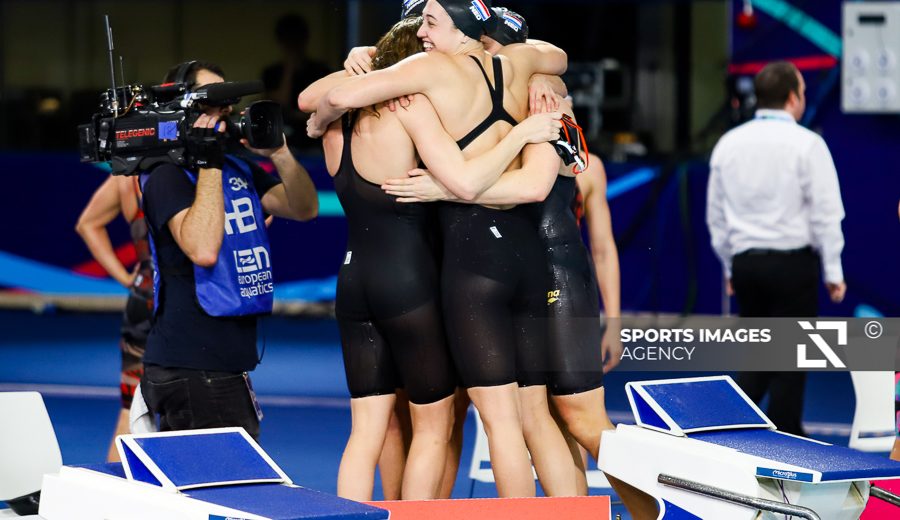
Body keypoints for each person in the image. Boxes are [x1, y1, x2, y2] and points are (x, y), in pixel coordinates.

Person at [306, 0, 579, 498]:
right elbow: (534, 176)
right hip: (516, 254)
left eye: (432, 23)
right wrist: (538, 98)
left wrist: (322, 117)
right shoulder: (519, 68)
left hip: (429, 267)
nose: (425, 35)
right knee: (527, 419)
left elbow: (329, 97)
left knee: (419, 428)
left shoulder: (428, 75)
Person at [139, 61, 318, 441]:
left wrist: (279, 153)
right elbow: (202, 249)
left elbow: (304, 208)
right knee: (228, 476)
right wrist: (209, 162)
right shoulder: (165, 174)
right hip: (190, 361)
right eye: (212, 101)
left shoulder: (238, 166)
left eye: (228, 101)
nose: (226, 110)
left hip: (223, 360)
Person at [706, 61, 846, 436]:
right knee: (790, 360)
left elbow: (716, 217)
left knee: (759, 353)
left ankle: (733, 432)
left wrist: (730, 267)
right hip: (792, 266)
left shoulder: (728, 144)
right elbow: (827, 212)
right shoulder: (808, 144)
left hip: (747, 267)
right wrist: (833, 270)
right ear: (792, 98)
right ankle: (784, 438)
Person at [76, 175, 154, 462]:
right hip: (188, 307)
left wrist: (127, 279)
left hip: (143, 301)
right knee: (193, 410)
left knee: (131, 411)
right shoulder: (196, 171)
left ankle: (116, 489)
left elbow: (88, 223)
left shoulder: (125, 176)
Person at [262, 13, 331, 151]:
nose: (292, 45)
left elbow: (329, 105)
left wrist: (304, 114)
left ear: (305, 39)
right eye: (288, 40)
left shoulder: (320, 70)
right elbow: (279, 103)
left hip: (316, 139)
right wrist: (289, 67)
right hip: (283, 137)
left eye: (296, 40)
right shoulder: (271, 73)